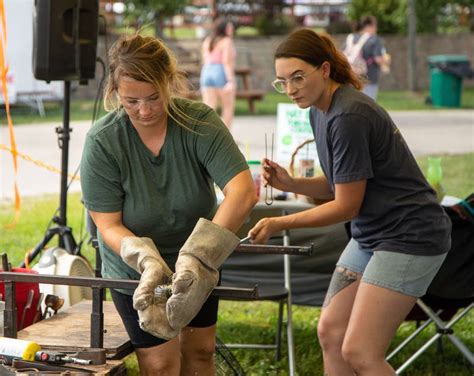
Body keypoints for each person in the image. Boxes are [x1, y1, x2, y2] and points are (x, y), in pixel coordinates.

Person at [249, 28, 451, 375]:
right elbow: (339, 183)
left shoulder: (348, 115)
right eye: (282, 82)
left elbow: (346, 206)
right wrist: (291, 182)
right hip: (372, 234)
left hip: (410, 236)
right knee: (331, 332)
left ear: (324, 70)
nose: (291, 89)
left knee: (360, 351)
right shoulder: (319, 111)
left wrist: (280, 221)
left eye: (298, 77)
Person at [80, 34, 257, 375]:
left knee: (201, 351)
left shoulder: (198, 122)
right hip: (135, 270)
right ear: (115, 93)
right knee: (160, 364)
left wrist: (198, 257)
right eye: (131, 101)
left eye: (153, 98)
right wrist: (146, 260)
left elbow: (243, 192)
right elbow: (108, 224)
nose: (144, 111)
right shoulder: (103, 141)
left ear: (168, 83)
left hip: (199, 264)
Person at [200, 18, 237, 129]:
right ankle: (226, 138)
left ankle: (206, 137)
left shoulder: (208, 40)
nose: (232, 29)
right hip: (220, 72)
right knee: (227, 107)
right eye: (230, 27)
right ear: (224, 29)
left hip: (206, 71)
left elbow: (205, 59)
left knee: (209, 108)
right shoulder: (227, 41)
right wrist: (230, 80)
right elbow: (226, 61)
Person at [358, 15, 390, 100]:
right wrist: (386, 60)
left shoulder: (353, 38)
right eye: (375, 26)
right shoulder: (374, 39)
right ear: (371, 25)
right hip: (370, 78)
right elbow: (378, 59)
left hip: (355, 78)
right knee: (369, 105)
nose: (376, 28)